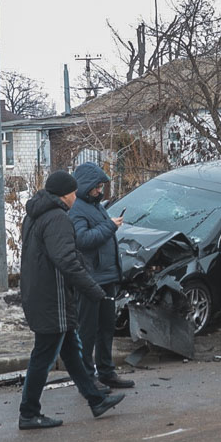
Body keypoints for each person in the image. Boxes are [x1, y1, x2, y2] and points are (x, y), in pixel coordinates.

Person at [18, 171, 125, 430]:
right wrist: (93, 290)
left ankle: (96, 399)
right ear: (65, 194)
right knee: (43, 357)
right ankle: (29, 413)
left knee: (72, 353)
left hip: (40, 294)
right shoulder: (57, 219)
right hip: (52, 299)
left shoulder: (34, 216)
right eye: (73, 192)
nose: (76, 197)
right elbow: (67, 261)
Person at [69, 162, 133, 391]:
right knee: (87, 330)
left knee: (106, 327)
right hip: (90, 279)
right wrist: (110, 226)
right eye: (96, 187)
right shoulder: (77, 209)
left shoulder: (95, 206)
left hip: (106, 277)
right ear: (86, 186)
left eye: (101, 186)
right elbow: (82, 240)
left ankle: (106, 371)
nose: (100, 190)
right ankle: (87, 377)